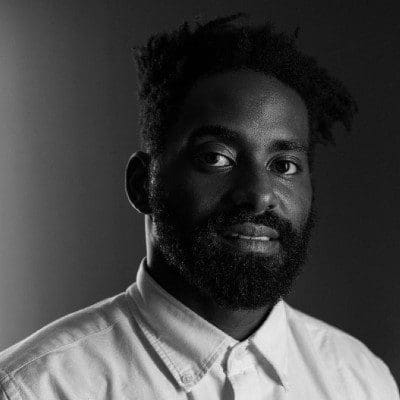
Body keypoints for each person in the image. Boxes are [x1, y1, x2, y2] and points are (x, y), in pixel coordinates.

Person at [0, 13, 398, 400]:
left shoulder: (363, 380)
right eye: (215, 157)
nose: (259, 194)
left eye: (284, 165)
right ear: (143, 184)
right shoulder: (34, 388)